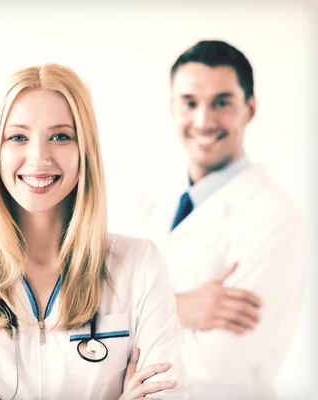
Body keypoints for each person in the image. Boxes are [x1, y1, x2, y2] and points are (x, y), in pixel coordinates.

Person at [0, 63, 189, 400]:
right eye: (18, 137)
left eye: (60, 136)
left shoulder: (140, 265)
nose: (38, 157)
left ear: (85, 150)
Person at [117, 40, 305, 399]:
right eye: (190, 103)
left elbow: (220, 361)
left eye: (222, 102)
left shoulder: (275, 217)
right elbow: (96, 314)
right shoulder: (147, 199)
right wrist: (181, 306)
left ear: (249, 109)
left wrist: (134, 315)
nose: (204, 120)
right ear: (173, 107)